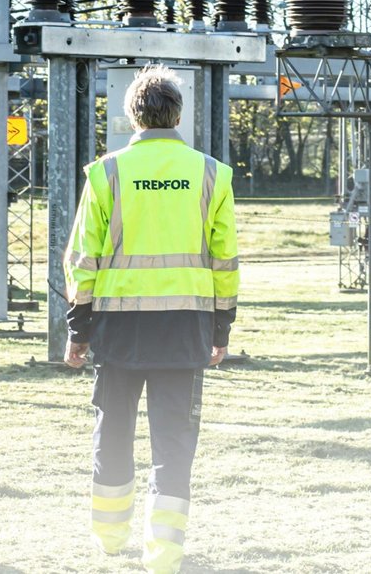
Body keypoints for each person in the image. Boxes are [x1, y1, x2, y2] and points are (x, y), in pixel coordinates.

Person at [64, 64, 240, 574]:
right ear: (178, 115)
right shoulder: (213, 174)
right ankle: (164, 553)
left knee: (112, 430)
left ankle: (110, 536)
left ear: (130, 114)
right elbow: (224, 261)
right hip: (185, 327)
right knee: (174, 442)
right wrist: (221, 329)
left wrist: (79, 330)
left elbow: (83, 259)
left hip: (118, 328)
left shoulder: (106, 173)